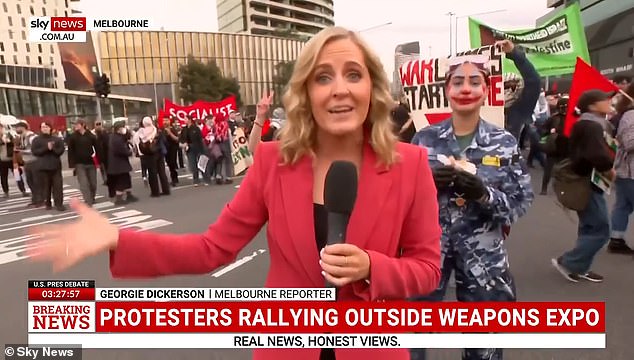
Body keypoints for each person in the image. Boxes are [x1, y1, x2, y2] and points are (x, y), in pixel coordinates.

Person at [30, 26, 442, 360]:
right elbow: (212, 249)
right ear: (306, 93)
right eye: (323, 77)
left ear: (373, 87)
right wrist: (117, 238)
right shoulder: (272, 162)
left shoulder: (411, 166)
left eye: (354, 74)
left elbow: (427, 267)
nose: (339, 89)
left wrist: (373, 266)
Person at [410, 42, 534, 360]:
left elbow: (520, 201)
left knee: (485, 343)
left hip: (484, 259)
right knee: (410, 336)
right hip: (427, 254)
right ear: (446, 90)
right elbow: (401, 200)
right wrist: (423, 184)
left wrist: (483, 193)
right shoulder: (423, 141)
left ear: (486, 89)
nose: (466, 88)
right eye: (458, 82)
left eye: (475, 81)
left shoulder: (504, 143)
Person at [551, 89, 616, 283]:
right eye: (604, 99)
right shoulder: (591, 125)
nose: (609, 101)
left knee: (590, 226)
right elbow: (595, 154)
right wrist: (608, 168)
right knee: (601, 229)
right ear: (593, 105)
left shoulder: (590, 124)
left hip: (585, 179)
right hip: (587, 181)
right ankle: (570, 262)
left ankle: (581, 266)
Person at [608, 83, 634, 254]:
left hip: (625, 170)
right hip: (629, 170)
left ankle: (616, 239)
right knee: (623, 205)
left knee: (623, 205)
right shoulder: (631, 115)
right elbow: (629, 143)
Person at [31, 122, 66, 211]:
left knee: (58, 186)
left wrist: (52, 148)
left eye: (46, 127)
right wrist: (46, 148)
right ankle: (48, 203)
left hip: (55, 167)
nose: (44, 128)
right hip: (43, 167)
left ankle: (59, 204)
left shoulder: (57, 139)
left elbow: (60, 151)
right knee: (46, 186)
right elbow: (35, 152)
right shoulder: (36, 140)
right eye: (43, 127)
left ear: (50, 128)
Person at [539, 97, 569, 195]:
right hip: (554, 146)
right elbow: (543, 130)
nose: (564, 109)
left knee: (563, 170)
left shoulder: (571, 118)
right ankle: (544, 188)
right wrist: (549, 133)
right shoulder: (553, 118)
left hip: (565, 147)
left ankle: (561, 189)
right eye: (563, 107)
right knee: (549, 168)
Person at [67, 120, 98, 206]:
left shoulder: (91, 136)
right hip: (79, 163)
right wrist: (72, 164)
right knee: (84, 183)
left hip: (91, 162)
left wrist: (100, 160)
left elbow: (97, 148)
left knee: (93, 183)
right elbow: (70, 151)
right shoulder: (73, 137)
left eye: (77, 124)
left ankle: (92, 197)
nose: (75, 126)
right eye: (75, 125)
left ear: (83, 125)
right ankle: (88, 200)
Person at [106, 121, 138, 205]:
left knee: (127, 178)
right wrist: (130, 152)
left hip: (120, 163)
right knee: (121, 180)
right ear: (118, 129)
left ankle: (129, 194)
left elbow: (127, 137)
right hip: (118, 164)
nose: (125, 128)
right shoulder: (116, 139)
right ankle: (119, 199)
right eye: (123, 127)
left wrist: (128, 132)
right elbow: (121, 151)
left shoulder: (117, 136)